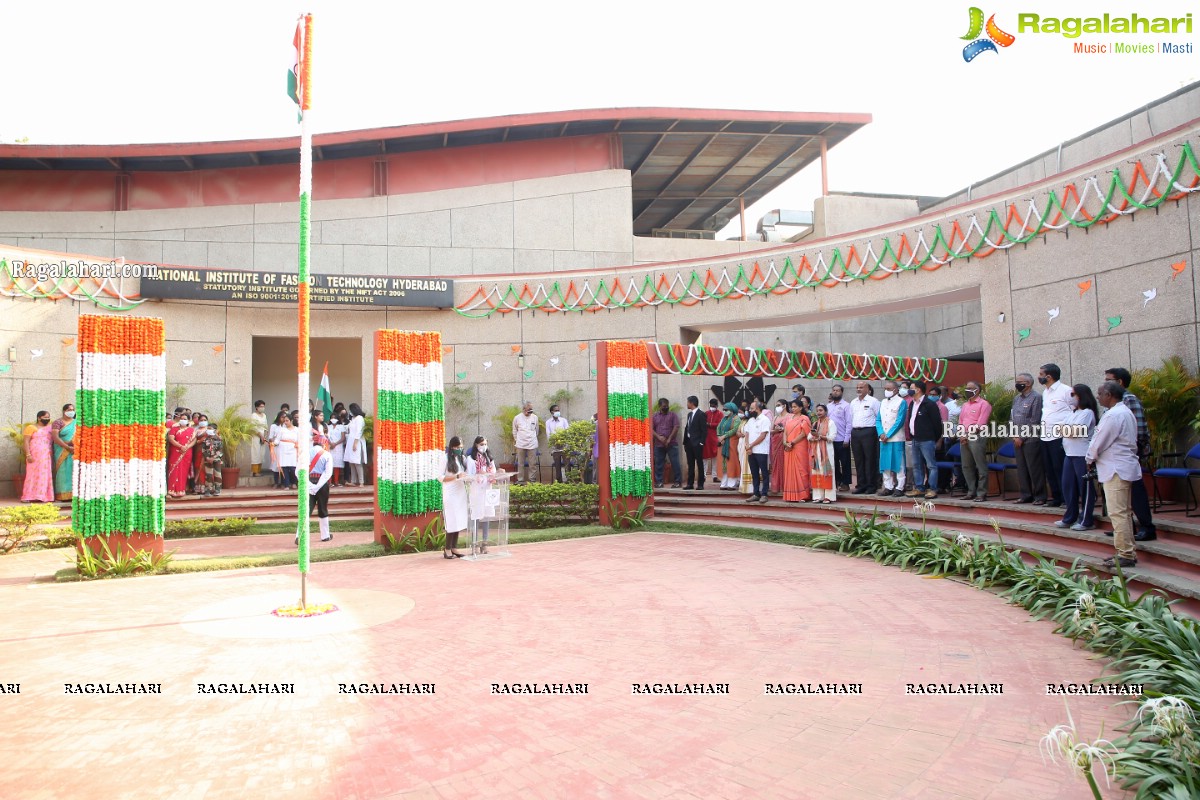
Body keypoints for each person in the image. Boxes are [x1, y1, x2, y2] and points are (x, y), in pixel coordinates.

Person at [1087, 382, 1142, 568]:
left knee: (1117, 513)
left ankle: (1125, 553)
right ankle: (1128, 550)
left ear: (1109, 395)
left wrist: (1089, 458)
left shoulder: (1114, 415)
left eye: (1100, 393)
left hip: (1115, 468)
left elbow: (1099, 441)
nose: (1098, 397)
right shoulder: (1124, 412)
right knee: (1124, 513)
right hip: (1121, 466)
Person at [1104, 367, 1157, 541]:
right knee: (1122, 496)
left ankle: (1147, 527)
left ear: (1119, 382)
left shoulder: (1129, 399)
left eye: (1109, 380)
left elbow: (1140, 430)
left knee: (1136, 491)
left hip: (1130, 455)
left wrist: (1135, 451)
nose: (1105, 383)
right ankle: (1125, 528)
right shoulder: (1111, 404)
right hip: (1114, 457)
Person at [1056, 384, 1097, 532]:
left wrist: (1065, 430)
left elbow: (1075, 432)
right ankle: (1070, 517)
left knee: (1084, 488)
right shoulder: (1072, 413)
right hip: (1069, 453)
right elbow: (1059, 430)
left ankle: (1086, 520)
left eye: (1073, 394)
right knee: (1068, 486)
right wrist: (1065, 430)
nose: (1070, 398)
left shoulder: (1087, 413)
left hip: (1081, 454)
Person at [1039, 363, 1073, 508]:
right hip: (1045, 436)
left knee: (1060, 468)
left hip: (1058, 436)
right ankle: (1056, 497)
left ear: (1049, 376)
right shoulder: (1045, 392)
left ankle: (1067, 499)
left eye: (1041, 374)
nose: (1039, 377)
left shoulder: (1066, 391)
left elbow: (1074, 411)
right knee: (1050, 468)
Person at [1009, 374, 1045, 504]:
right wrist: (1014, 435)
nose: (1017, 384)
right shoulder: (1016, 399)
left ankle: (1040, 496)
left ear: (1028, 383)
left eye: (1020, 382)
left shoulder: (1036, 397)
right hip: (1017, 439)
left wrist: (1022, 437)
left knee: (1034, 468)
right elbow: (1012, 418)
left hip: (1030, 439)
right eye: (1017, 381)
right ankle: (1025, 494)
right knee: (1022, 468)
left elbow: (1035, 420)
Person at [957, 380, 993, 502]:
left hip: (977, 436)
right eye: (966, 387)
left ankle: (982, 493)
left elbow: (981, 423)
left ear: (977, 390)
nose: (967, 390)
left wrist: (967, 435)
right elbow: (961, 421)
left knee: (980, 465)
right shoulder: (965, 405)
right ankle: (971, 491)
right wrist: (962, 435)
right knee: (966, 466)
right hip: (964, 437)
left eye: (970, 388)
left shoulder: (984, 404)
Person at [905, 381, 942, 500]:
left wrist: (934, 438)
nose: (909, 390)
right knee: (917, 465)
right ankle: (919, 488)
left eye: (912, 388)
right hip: (915, 439)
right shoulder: (912, 404)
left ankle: (932, 488)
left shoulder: (929, 404)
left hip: (927, 439)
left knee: (931, 465)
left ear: (918, 389)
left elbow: (937, 424)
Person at [440, 436, 475, 558]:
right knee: (451, 520)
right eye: (457, 447)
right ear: (452, 447)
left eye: (461, 447)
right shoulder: (445, 458)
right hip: (450, 493)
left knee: (459, 519)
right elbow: (440, 477)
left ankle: (454, 547)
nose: (459, 449)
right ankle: (447, 548)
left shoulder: (462, 458)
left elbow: (469, 471)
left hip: (461, 493)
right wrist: (456, 477)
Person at [296, 433, 334, 545]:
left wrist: (308, 485)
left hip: (307, 483)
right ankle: (325, 535)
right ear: (324, 443)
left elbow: (298, 471)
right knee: (323, 509)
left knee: (305, 510)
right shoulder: (327, 455)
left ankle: (299, 535)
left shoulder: (305, 454)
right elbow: (328, 474)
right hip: (322, 485)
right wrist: (317, 486)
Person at [876, 381, 908, 498]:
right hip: (883, 438)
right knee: (885, 463)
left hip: (896, 438)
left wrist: (888, 435)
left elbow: (899, 421)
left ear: (895, 390)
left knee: (898, 463)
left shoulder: (901, 402)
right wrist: (881, 433)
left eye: (889, 389)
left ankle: (900, 486)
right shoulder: (883, 402)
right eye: (885, 388)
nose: (886, 391)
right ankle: (888, 486)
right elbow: (878, 419)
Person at [467, 435, 498, 553]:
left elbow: (493, 469)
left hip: (487, 489)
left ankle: (484, 544)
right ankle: (474, 543)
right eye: (481, 444)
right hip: (476, 490)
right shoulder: (471, 459)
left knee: (486, 516)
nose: (484, 447)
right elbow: (468, 476)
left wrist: (492, 473)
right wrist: (478, 473)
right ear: (476, 445)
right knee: (476, 516)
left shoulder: (489, 457)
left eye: (485, 444)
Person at [849, 382, 881, 494]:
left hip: (869, 432)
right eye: (857, 387)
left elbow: (878, 418)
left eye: (861, 387)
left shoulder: (874, 401)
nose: (859, 389)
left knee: (870, 459)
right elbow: (851, 418)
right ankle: (861, 485)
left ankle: (871, 485)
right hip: (856, 432)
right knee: (859, 460)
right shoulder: (853, 402)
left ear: (867, 389)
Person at [781, 399, 812, 502]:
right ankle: (791, 495)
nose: (793, 409)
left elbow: (804, 433)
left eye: (795, 407)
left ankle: (803, 495)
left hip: (799, 447)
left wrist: (792, 443)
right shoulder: (789, 418)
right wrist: (785, 442)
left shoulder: (804, 418)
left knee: (801, 470)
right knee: (789, 470)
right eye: (792, 407)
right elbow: (785, 431)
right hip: (788, 448)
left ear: (801, 408)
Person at [20, 411, 54, 503]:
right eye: (45, 417)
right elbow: (26, 441)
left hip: (46, 456)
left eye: (48, 417)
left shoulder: (50, 428)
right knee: (31, 475)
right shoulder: (31, 427)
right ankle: (28, 496)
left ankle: (42, 496)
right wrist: (28, 454)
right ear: (39, 418)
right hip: (33, 455)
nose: (47, 419)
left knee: (44, 475)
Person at [742, 400, 772, 503]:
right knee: (754, 473)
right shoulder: (750, 420)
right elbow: (747, 433)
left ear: (758, 409)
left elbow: (763, 436)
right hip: (751, 451)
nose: (749, 410)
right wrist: (747, 446)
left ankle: (764, 494)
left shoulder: (765, 419)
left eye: (752, 408)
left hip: (761, 451)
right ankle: (756, 493)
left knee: (764, 472)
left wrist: (750, 445)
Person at [827, 384, 853, 492]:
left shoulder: (846, 406)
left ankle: (846, 483)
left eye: (837, 390)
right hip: (830, 439)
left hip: (842, 439)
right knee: (834, 462)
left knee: (845, 462)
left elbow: (849, 422)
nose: (835, 392)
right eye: (834, 390)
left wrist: (847, 438)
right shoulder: (828, 406)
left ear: (842, 392)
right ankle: (837, 480)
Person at [809, 403, 837, 503]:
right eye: (817, 411)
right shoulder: (815, 423)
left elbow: (832, 437)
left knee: (827, 471)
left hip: (826, 451)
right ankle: (818, 496)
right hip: (816, 451)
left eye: (821, 410)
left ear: (825, 411)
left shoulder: (830, 423)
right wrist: (814, 436)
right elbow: (809, 436)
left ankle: (828, 496)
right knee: (817, 472)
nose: (819, 412)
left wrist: (820, 436)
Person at [651, 397, 681, 489]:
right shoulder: (655, 416)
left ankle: (678, 482)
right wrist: (659, 437)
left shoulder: (673, 415)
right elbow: (651, 429)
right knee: (659, 464)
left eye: (667, 406)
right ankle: (659, 482)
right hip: (659, 444)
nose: (666, 407)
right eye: (664, 406)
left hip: (671, 443)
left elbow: (676, 427)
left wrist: (669, 439)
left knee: (675, 463)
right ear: (660, 406)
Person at [166, 410, 197, 499]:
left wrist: (187, 447)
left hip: (187, 452)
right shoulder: (174, 429)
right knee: (173, 469)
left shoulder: (192, 430)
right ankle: (171, 490)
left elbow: (194, 440)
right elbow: (171, 439)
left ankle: (180, 490)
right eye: (181, 418)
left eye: (185, 419)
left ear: (188, 420)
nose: (183, 420)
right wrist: (180, 446)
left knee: (183, 471)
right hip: (176, 452)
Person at [50, 403, 76, 502]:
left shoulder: (77, 422)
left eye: (73, 409)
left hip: (75, 451)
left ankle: (73, 494)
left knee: (73, 471)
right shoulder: (58, 422)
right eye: (69, 410)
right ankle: (62, 495)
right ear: (64, 411)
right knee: (63, 472)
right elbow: (55, 438)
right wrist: (67, 447)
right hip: (61, 449)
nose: (71, 411)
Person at [682, 395, 708, 491]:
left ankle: (700, 484)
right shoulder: (689, 415)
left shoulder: (701, 414)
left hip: (697, 443)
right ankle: (690, 483)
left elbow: (704, 430)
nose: (687, 404)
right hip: (689, 443)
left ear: (692, 403)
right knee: (690, 464)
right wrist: (685, 442)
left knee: (699, 464)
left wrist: (701, 443)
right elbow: (687, 428)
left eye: (688, 402)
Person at [512, 402, 540, 485]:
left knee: (533, 463)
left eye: (531, 410)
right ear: (524, 410)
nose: (530, 412)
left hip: (532, 444)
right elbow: (514, 430)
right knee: (520, 463)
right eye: (528, 410)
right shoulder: (517, 418)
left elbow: (537, 430)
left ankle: (532, 480)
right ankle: (520, 480)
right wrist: (517, 440)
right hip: (520, 444)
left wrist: (532, 437)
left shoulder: (535, 417)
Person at [198, 419, 225, 496]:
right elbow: (203, 450)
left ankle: (217, 489)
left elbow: (220, 450)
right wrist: (207, 458)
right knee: (208, 475)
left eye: (210, 429)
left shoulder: (219, 439)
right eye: (208, 429)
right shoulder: (205, 439)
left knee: (217, 474)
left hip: (217, 459)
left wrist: (213, 457)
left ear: (215, 430)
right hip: (207, 460)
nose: (208, 430)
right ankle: (208, 489)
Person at [716, 402, 740, 490]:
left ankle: (732, 483)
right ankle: (724, 482)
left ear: (732, 410)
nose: (724, 411)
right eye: (724, 409)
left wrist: (724, 436)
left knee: (731, 463)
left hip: (731, 443)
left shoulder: (736, 418)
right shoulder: (724, 419)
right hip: (722, 443)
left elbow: (735, 429)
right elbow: (718, 428)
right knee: (723, 464)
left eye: (726, 410)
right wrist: (719, 437)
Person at [274, 412, 299, 490]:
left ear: (291, 420)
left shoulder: (297, 430)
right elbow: (277, 440)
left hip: (293, 449)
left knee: (293, 468)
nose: (285, 422)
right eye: (284, 421)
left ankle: (294, 482)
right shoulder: (281, 430)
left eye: (287, 420)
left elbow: (299, 440)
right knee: (284, 468)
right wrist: (273, 444)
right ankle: (286, 485)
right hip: (283, 450)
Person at [545, 403, 569, 483]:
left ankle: (568, 482)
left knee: (567, 465)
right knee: (557, 466)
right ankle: (559, 483)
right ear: (552, 412)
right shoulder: (548, 422)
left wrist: (563, 441)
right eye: (556, 410)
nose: (558, 412)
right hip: (555, 448)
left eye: (558, 410)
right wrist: (554, 442)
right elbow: (549, 435)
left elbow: (567, 432)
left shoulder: (563, 420)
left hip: (565, 446)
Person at [344, 403, 367, 486]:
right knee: (351, 461)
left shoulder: (359, 418)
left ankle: (361, 482)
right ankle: (353, 481)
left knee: (357, 462)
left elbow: (359, 431)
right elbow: (347, 428)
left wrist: (355, 443)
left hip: (357, 441)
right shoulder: (353, 419)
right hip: (350, 441)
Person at [769, 398, 787, 495]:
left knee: (784, 464)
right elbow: (770, 431)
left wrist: (783, 429)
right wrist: (776, 430)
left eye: (779, 405)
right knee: (775, 464)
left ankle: (785, 486)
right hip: (775, 443)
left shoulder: (790, 416)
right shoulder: (775, 418)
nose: (777, 407)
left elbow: (791, 429)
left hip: (784, 443)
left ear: (784, 406)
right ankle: (776, 486)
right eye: (776, 405)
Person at [266, 410, 286, 488]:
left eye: (285, 417)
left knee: (283, 465)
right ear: (279, 417)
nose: (284, 419)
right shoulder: (274, 426)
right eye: (282, 417)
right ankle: (276, 482)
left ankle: (283, 483)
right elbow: (270, 437)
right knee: (275, 465)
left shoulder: (286, 426)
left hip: (284, 448)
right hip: (276, 447)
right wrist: (275, 440)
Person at [703, 398, 721, 482]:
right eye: (711, 405)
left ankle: (714, 476)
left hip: (715, 437)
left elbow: (719, 424)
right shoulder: (706, 413)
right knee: (705, 457)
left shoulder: (720, 414)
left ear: (717, 406)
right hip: (706, 438)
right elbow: (703, 423)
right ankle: (703, 475)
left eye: (714, 406)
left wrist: (709, 424)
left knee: (715, 457)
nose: (712, 407)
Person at [328, 410, 347, 487]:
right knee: (329, 465)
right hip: (329, 446)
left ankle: (336, 481)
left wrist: (335, 444)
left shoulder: (341, 426)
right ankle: (329, 482)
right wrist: (331, 443)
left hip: (338, 447)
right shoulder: (328, 426)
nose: (333, 419)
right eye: (332, 417)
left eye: (335, 417)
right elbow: (326, 436)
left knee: (337, 465)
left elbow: (343, 437)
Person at [250, 400, 268, 477]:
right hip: (256, 436)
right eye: (261, 406)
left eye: (263, 406)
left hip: (263, 437)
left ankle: (259, 470)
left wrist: (265, 435)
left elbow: (265, 426)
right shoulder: (253, 415)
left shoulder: (264, 415)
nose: (262, 408)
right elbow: (253, 427)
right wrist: (260, 435)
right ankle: (255, 471)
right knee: (255, 453)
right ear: (257, 407)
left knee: (261, 453)